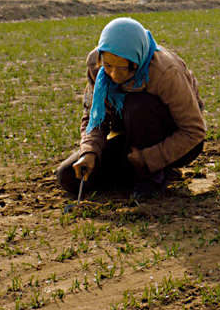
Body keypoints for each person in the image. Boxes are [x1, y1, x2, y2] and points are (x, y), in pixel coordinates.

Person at [57, 17, 206, 200]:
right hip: (131, 136)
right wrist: (89, 151)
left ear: (136, 62)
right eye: (108, 66)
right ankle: (140, 170)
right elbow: (94, 117)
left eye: (122, 69)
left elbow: (194, 131)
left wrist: (148, 158)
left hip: (174, 139)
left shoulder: (166, 72)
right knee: (68, 176)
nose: (113, 75)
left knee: (137, 104)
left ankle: (153, 175)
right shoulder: (96, 67)